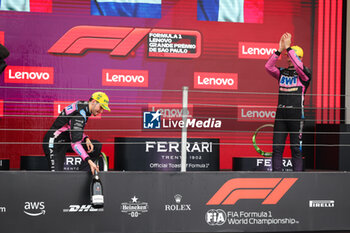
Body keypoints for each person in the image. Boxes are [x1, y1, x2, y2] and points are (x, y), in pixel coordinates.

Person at [265, 32, 311, 171]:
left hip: (297, 116)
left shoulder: (305, 74)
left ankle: (297, 179)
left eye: (293, 57)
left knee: (296, 149)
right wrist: (280, 50)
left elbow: (299, 66)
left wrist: (289, 48)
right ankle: (277, 177)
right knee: (277, 149)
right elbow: (268, 67)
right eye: (288, 57)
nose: (290, 60)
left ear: (300, 58)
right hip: (281, 115)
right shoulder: (282, 73)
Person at [43, 92, 110, 174]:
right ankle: (90, 166)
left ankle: (83, 175)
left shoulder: (84, 107)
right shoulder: (80, 114)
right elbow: (75, 144)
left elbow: (73, 129)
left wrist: (86, 138)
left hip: (66, 140)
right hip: (54, 143)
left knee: (96, 146)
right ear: (93, 102)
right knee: (57, 177)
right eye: (101, 107)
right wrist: (88, 160)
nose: (102, 111)